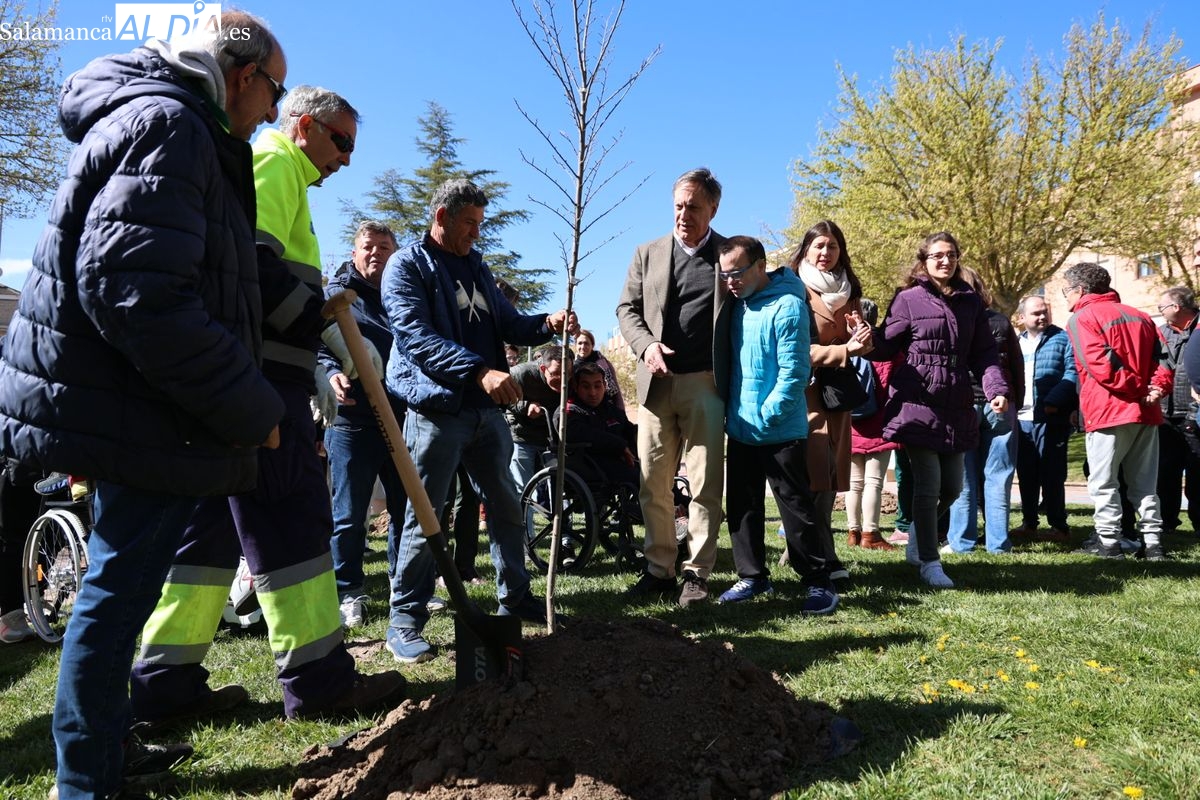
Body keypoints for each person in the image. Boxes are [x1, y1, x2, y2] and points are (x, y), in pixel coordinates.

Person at [0, 14, 293, 798]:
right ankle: (85, 783)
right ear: (239, 73)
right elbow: (135, 293)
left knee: (120, 592)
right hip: (141, 407)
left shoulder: (166, 121)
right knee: (116, 593)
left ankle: (102, 753)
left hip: (132, 403)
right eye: (275, 89)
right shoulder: (172, 127)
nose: (273, 110)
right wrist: (247, 404)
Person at [130, 86, 404, 724]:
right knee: (290, 516)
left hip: (240, 381)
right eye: (341, 142)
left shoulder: (282, 172)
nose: (346, 159)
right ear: (304, 125)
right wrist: (324, 326)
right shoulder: (277, 161)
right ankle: (320, 682)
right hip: (264, 382)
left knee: (210, 535)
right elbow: (251, 269)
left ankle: (164, 685)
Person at [382, 178, 576, 663]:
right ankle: (405, 619)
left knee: (508, 504)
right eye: (469, 223)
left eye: (480, 225)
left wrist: (544, 324)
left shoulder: (477, 267)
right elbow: (415, 339)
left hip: (486, 415)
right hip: (436, 412)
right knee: (426, 515)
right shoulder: (405, 267)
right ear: (442, 217)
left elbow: (507, 324)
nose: (476, 233)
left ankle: (516, 596)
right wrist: (479, 371)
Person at [615, 167, 730, 607]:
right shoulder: (647, 253)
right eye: (679, 205)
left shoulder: (729, 254)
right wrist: (645, 348)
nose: (684, 214)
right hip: (655, 387)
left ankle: (697, 574)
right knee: (652, 483)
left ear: (713, 208)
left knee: (704, 484)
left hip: (707, 384)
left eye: (694, 207)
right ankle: (659, 569)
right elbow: (627, 308)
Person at [869, 232, 1009, 588]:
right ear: (924, 260)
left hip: (956, 403)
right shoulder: (908, 299)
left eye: (950, 255)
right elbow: (886, 346)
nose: (944, 261)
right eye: (937, 256)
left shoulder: (970, 302)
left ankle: (917, 539)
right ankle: (930, 563)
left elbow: (984, 354)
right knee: (928, 484)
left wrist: (996, 388)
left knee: (951, 488)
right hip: (916, 401)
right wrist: (865, 338)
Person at [715, 236, 838, 614]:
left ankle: (818, 582)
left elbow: (796, 372)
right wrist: (737, 418)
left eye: (737, 272)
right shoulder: (738, 307)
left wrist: (767, 415)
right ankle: (752, 577)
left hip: (779, 429)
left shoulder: (788, 305)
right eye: (725, 275)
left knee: (795, 509)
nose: (730, 281)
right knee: (742, 506)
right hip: (740, 427)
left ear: (759, 266)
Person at [317, 220, 411, 627]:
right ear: (354, 253)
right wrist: (328, 371)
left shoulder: (403, 295)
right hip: (353, 420)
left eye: (385, 248)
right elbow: (317, 341)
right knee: (350, 514)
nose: (376, 253)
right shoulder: (336, 297)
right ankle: (349, 591)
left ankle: (400, 586)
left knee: (406, 510)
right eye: (369, 247)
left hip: (402, 418)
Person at [1063, 263, 1171, 560]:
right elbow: (1163, 363)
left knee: (1104, 481)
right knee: (1145, 482)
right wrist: (1154, 389)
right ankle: (1153, 543)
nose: (1065, 299)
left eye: (1065, 292)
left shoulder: (1082, 318)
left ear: (1079, 290)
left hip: (1108, 410)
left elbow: (1101, 366)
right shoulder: (1142, 316)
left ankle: (1109, 543)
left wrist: (1139, 389)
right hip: (1146, 411)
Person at [787, 220, 873, 587]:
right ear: (806, 249)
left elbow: (862, 347)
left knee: (831, 476)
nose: (826, 253)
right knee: (817, 475)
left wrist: (863, 339)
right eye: (819, 245)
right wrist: (844, 349)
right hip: (804, 394)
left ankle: (801, 548)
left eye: (833, 246)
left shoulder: (850, 291)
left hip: (837, 395)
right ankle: (824, 554)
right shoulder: (792, 289)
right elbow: (793, 348)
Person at [945, 267, 1025, 554]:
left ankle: (961, 541)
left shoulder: (949, 321)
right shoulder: (1001, 322)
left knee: (962, 478)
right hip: (1001, 403)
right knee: (999, 476)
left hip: (962, 403)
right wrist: (1015, 400)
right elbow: (1016, 366)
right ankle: (999, 543)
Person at [1010, 294, 1078, 542]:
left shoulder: (1063, 339)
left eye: (1044, 312)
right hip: (1021, 419)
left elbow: (1073, 372)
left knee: (1052, 474)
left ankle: (1059, 526)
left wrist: (1053, 402)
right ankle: (1029, 523)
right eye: (1036, 313)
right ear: (1021, 318)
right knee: (1026, 474)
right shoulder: (1015, 343)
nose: (1042, 317)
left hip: (1051, 418)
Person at [846, 299, 902, 551]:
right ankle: (871, 533)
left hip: (851, 421)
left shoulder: (846, 346)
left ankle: (852, 532)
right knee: (874, 482)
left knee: (853, 483)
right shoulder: (886, 351)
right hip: (880, 422)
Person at [1153, 287, 1200, 535]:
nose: (1159, 312)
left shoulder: (1199, 329)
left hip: (1195, 410)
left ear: (1176, 307)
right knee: (1165, 471)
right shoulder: (1161, 333)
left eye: (1161, 307)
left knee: (1197, 472)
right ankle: (1167, 522)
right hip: (1165, 414)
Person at [555, 361, 639, 490]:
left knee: (658, 475)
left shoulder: (612, 410)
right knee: (644, 480)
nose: (593, 393)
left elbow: (628, 430)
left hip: (623, 462)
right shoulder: (568, 410)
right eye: (586, 386)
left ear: (605, 386)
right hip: (591, 467)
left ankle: (679, 505)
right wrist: (619, 445)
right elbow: (580, 433)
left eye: (597, 386)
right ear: (576, 387)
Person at [505, 345, 573, 492]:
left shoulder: (573, 376)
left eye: (567, 373)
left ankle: (560, 514)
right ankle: (522, 515)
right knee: (522, 487)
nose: (563, 380)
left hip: (552, 438)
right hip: (521, 436)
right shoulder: (520, 374)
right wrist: (525, 406)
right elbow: (504, 398)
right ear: (543, 369)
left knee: (559, 484)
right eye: (556, 374)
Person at [575, 329, 625, 411]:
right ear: (575, 345)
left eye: (586, 343)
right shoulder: (573, 366)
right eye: (580, 343)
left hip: (605, 408)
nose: (583, 347)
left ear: (592, 345)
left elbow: (614, 390)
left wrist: (620, 411)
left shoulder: (602, 363)